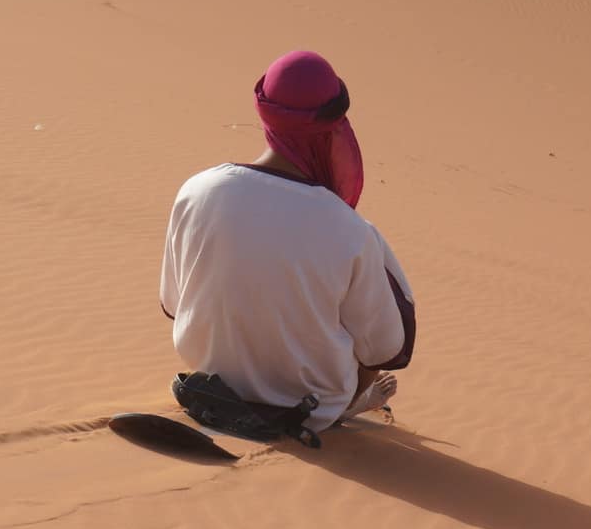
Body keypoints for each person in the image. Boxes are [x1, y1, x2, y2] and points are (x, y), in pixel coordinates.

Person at [160, 49, 415, 431]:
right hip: (310, 409)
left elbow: (173, 304)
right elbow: (386, 348)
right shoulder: (351, 229)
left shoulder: (196, 190)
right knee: (373, 276)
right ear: (334, 125)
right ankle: (348, 406)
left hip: (210, 384)